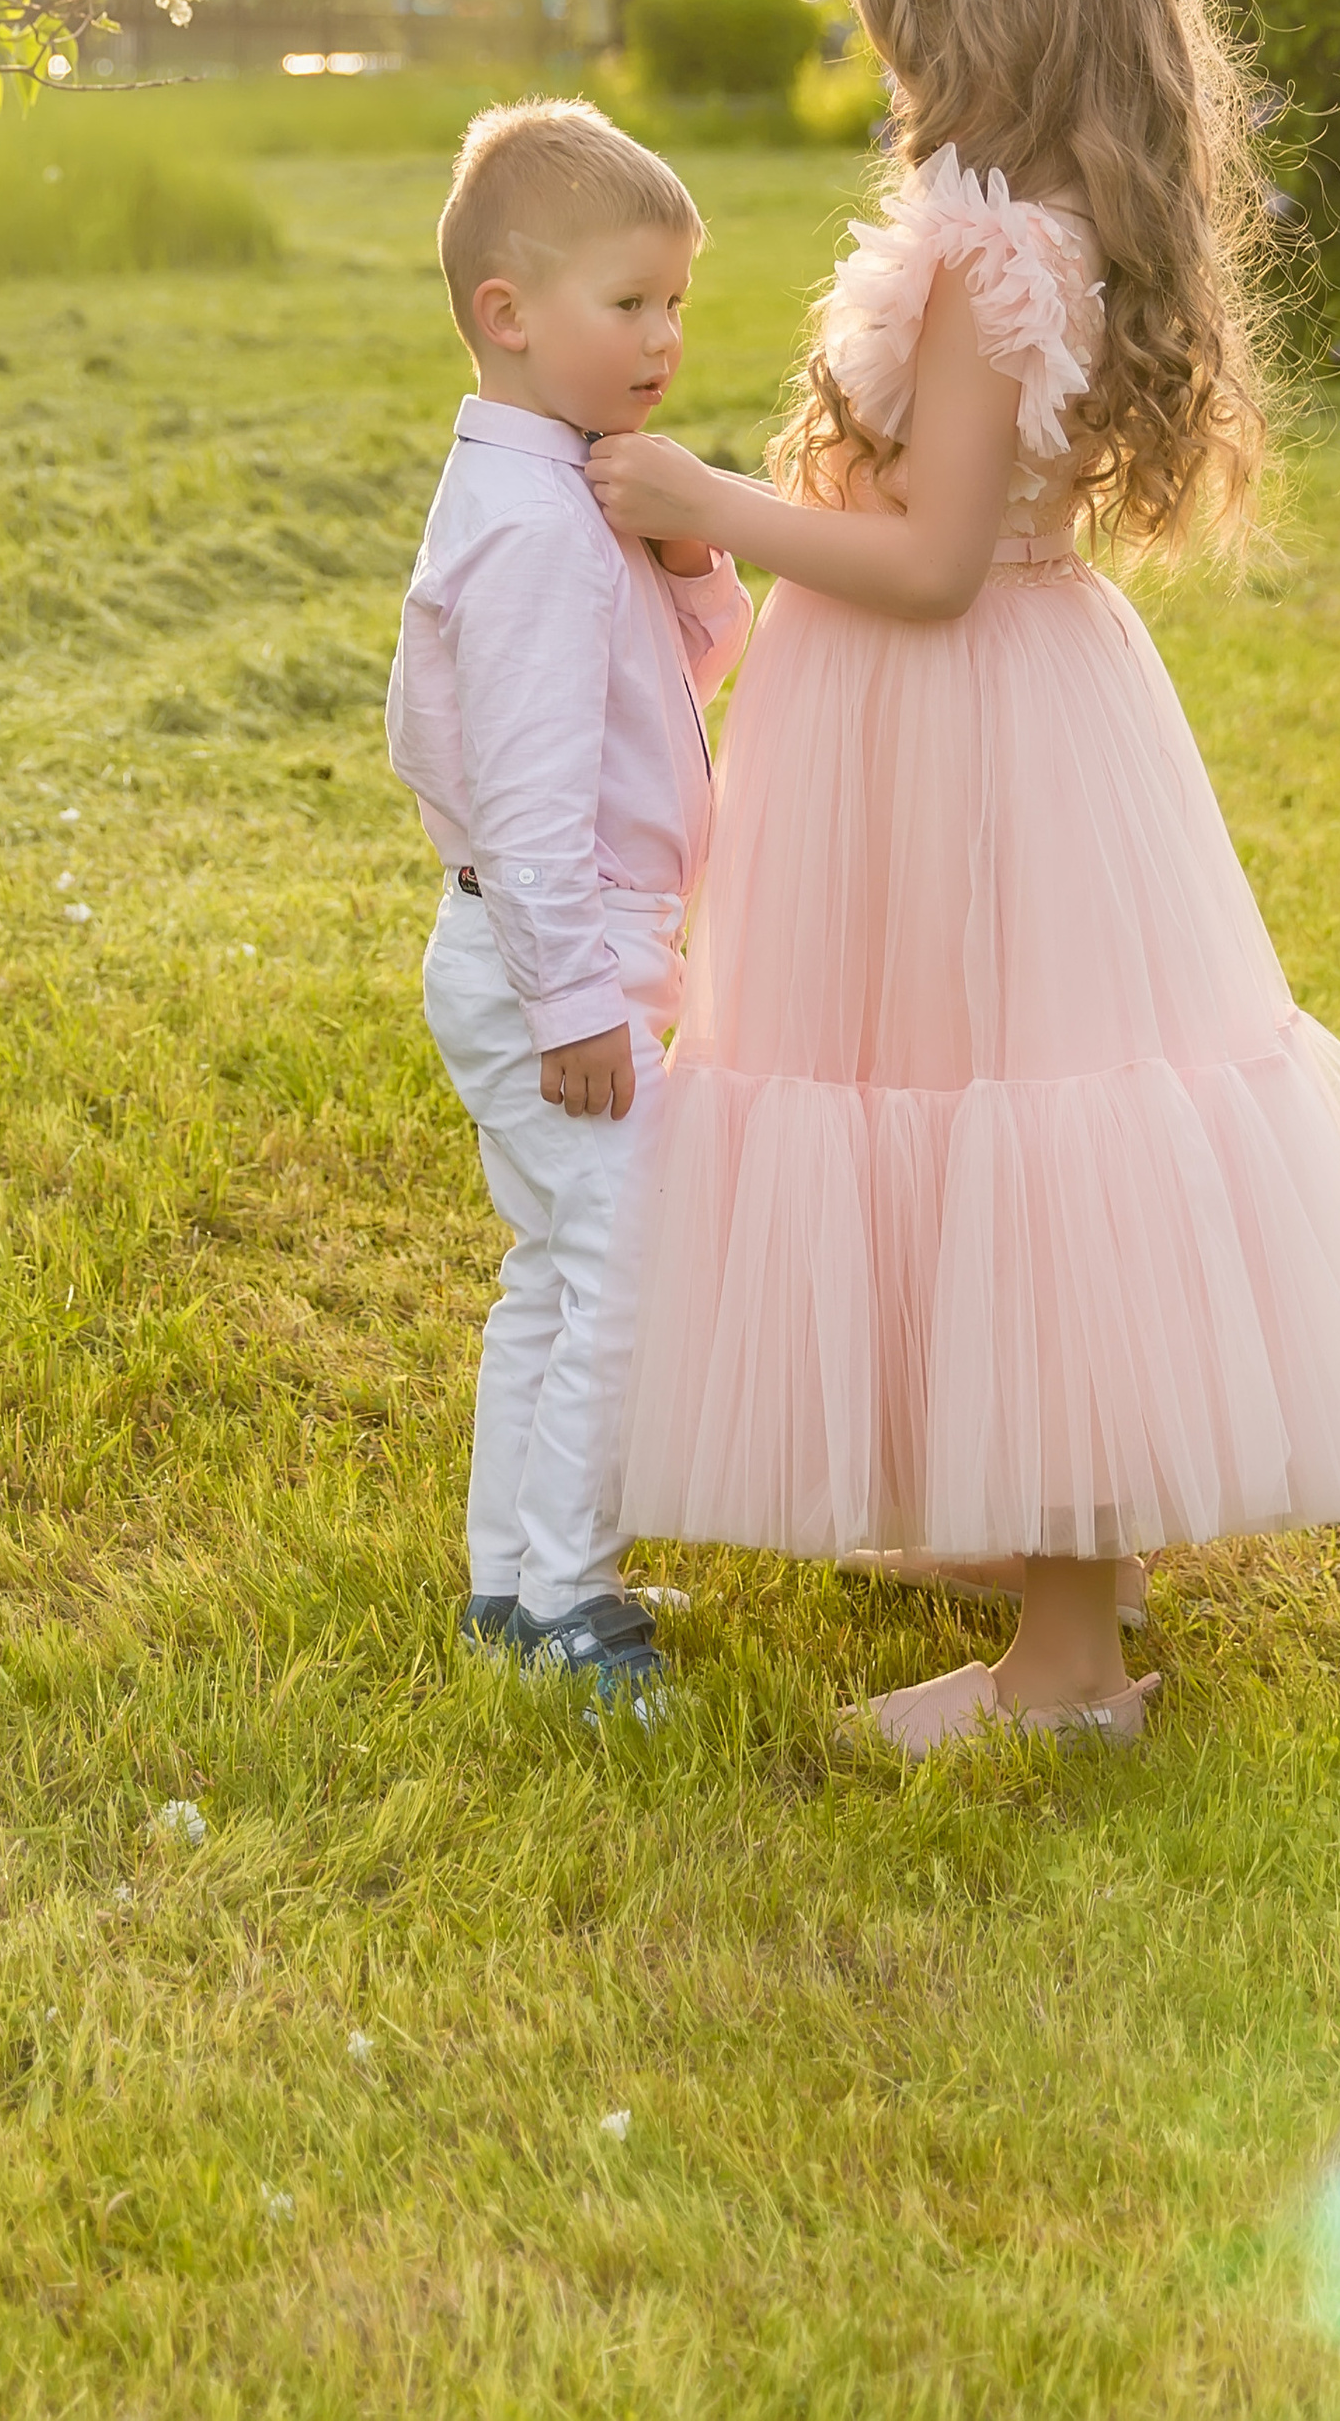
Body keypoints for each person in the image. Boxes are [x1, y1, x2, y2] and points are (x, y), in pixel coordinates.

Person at [585, 0, 1340, 1758]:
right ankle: (1046, 1532)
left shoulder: (988, 262)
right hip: (977, 717)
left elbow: (932, 561)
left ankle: (1065, 1669)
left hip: (956, 718)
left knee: (1015, 1118)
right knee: (967, 1090)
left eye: (910, 39)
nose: (894, 79)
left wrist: (698, 495)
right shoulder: (1035, 237)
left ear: (995, 37)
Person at [387, 99, 752, 1711]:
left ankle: (511, 1577)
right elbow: (532, 799)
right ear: (510, 313)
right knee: (623, 1266)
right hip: (559, 955)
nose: (666, 336)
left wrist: (684, 557)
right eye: (630, 302)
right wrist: (573, 1005)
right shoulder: (533, 531)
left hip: (566, 947)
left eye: (678, 301)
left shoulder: (563, 494)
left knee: (554, 1265)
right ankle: (572, 1606)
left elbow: (683, 679)